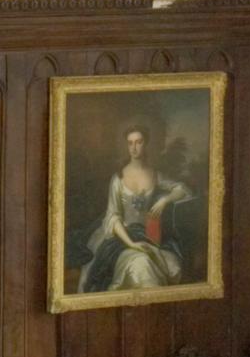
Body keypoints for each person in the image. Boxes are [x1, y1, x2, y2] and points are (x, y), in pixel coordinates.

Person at [78, 124, 192, 295]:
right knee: (140, 264)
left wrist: (164, 200)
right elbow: (113, 216)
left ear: (145, 144)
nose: (134, 147)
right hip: (121, 234)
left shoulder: (154, 174)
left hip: (147, 233)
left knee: (173, 266)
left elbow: (182, 190)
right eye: (130, 143)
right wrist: (131, 243)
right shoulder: (118, 177)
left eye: (138, 142)